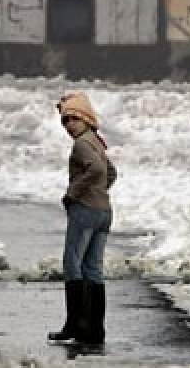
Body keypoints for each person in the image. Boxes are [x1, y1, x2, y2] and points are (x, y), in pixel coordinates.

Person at [49, 92, 117, 346]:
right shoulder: (96, 141)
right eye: (64, 121)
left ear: (85, 118)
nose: (68, 126)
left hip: (85, 210)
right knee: (93, 268)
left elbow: (98, 170)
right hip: (103, 212)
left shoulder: (81, 144)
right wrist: (100, 191)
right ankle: (94, 330)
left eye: (72, 119)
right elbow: (110, 172)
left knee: (72, 264)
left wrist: (73, 193)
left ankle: (74, 325)